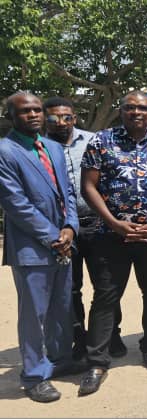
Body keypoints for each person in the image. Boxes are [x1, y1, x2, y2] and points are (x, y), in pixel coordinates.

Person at [79, 91, 147, 396]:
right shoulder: (101, 141)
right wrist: (114, 223)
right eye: (130, 107)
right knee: (106, 296)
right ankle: (97, 362)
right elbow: (88, 186)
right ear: (121, 111)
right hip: (111, 236)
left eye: (143, 108)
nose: (136, 112)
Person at [0, 92, 79, 402]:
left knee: (61, 306)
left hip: (63, 242)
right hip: (32, 248)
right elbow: (15, 203)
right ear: (11, 116)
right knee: (34, 314)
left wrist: (70, 227)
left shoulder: (55, 148)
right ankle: (34, 375)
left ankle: (59, 361)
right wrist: (53, 236)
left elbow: (68, 192)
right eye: (25, 111)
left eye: (36, 110)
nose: (33, 115)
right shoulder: (5, 151)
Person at [42, 97, 127, 361]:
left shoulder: (94, 140)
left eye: (67, 116)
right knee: (70, 288)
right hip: (62, 229)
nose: (62, 122)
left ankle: (112, 335)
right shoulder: (40, 148)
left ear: (75, 117)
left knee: (107, 285)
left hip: (98, 223)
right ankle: (79, 340)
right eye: (55, 118)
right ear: (46, 120)